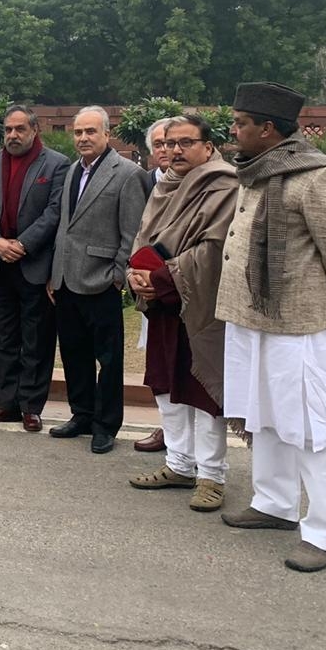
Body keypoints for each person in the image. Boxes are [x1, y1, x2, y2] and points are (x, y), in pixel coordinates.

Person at [217, 82, 326, 573]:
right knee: (262, 413)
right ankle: (274, 503)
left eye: (241, 123)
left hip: (296, 322)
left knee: (307, 424)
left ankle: (324, 533)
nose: (233, 130)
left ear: (268, 128)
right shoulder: (256, 172)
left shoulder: (316, 177)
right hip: (249, 316)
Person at [125, 115, 238, 511]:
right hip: (162, 305)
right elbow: (143, 239)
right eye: (169, 143)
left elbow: (214, 249)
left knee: (201, 389)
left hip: (199, 303)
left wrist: (161, 276)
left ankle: (211, 475)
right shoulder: (162, 187)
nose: (175, 151)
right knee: (166, 387)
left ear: (208, 147)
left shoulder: (222, 185)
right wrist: (135, 273)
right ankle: (178, 463)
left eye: (186, 143)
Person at [48, 106, 148, 453]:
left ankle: (106, 425)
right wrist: (54, 272)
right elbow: (66, 226)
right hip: (66, 279)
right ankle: (82, 414)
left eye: (90, 132)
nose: (83, 138)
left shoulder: (127, 174)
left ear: (107, 134)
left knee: (108, 358)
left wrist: (118, 277)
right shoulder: (72, 169)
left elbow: (132, 231)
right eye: (78, 132)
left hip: (101, 279)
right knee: (74, 353)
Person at [0, 105, 68, 432]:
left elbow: (55, 212)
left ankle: (31, 406)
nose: (12, 135)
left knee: (36, 338)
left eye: (19, 129)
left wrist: (22, 244)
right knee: (5, 337)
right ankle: (5, 402)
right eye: (8, 129)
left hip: (34, 263)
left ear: (34, 130)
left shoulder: (55, 165)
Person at [135, 117, 174, 452]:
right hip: (148, 286)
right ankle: (168, 426)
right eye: (159, 144)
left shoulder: (202, 184)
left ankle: (184, 439)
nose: (165, 149)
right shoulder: (143, 182)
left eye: (170, 142)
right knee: (157, 358)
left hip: (185, 285)